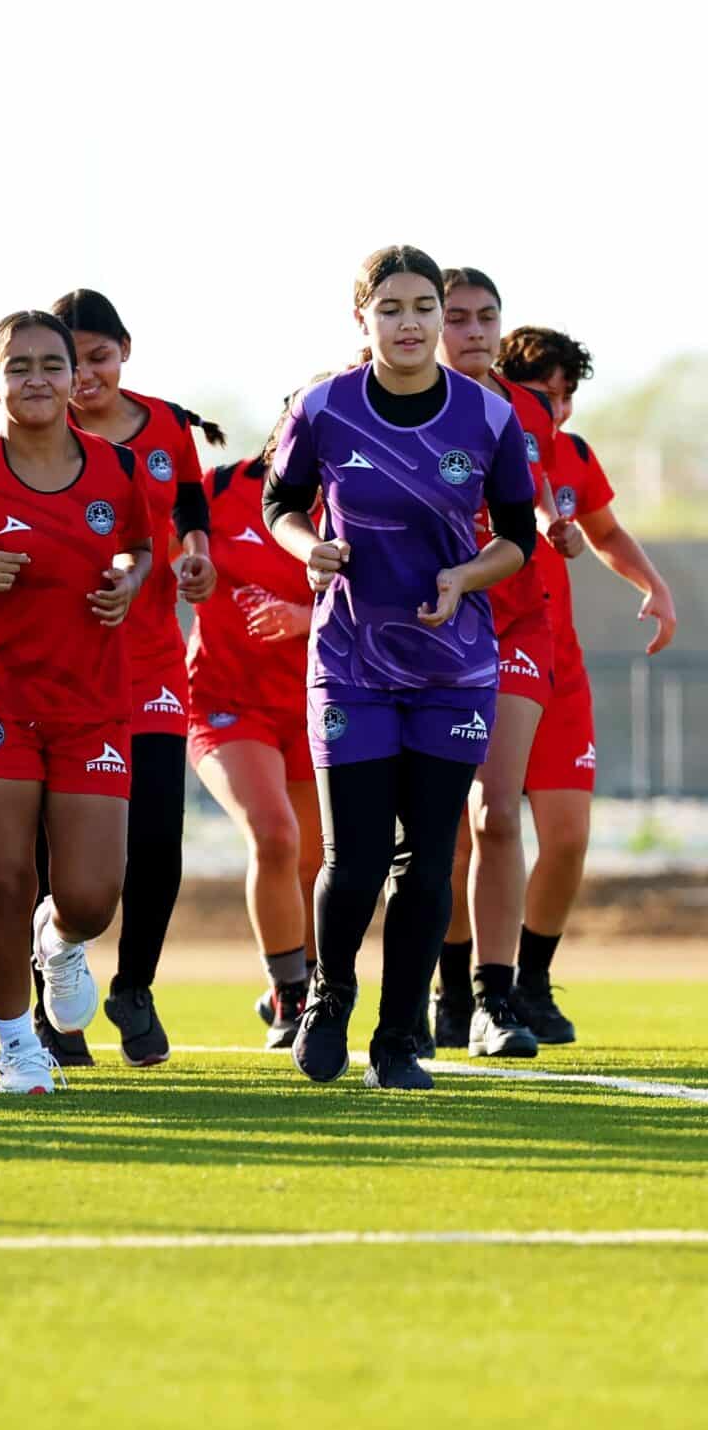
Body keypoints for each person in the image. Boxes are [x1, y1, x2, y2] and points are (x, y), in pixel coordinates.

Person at [263, 244, 536, 1093]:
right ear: (363, 317)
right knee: (355, 855)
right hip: (349, 660)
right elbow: (279, 504)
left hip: (453, 666)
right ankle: (328, 997)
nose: (411, 322)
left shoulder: (488, 420)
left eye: (425, 306)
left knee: (430, 854)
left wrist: (465, 576)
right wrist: (314, 550)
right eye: (392, 307)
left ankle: (396, 1039)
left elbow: (518, 536)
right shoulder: (324, 408)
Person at [0, 310, 152, 1096]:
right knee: (4, 883)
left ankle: (61, 937)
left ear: (75, 378)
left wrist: (129, 576)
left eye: (53, 363)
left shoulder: (115, 469)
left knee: (91, 895)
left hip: (92, 702)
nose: (39, 377)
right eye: (19, 366)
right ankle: (17, 1046)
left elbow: (139, 547)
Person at [500, 326, 680, 1044]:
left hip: (559, 669)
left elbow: (605, 532)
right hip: (481, 658)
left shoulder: (572, 456)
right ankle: (456, 987)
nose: (560, 407)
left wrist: (657, 586)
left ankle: (531, 982)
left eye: (568, 394)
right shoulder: (475, 445)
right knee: (470, 835)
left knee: (569, 836)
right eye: (546, 392)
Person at [58, 289, 222, 1067]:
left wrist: (196, 556)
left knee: (156, 836)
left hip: (153, 657)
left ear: (124, 350)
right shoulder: (39, 432)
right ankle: (53, 997)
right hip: (66, 662)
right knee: (60, 848)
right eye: (72, 359)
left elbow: (192, 508)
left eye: (100, 356)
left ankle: (134, 985)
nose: (86, 375)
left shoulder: (166, 428)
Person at [433, 267, 557, 1058]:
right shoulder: (386, 405)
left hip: (515, 623)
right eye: (457, 317)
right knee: (437, 828)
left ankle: (494, 997)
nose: (473, 331)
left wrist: (556, 522)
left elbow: (545, 495)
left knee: (496, 810)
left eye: (486, 317)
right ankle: (438, 990)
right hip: (428, 629)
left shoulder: (526, 407)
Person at [187, 408, 325, 1047]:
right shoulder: (216, 490)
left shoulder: (356, 501)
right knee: (274, 836)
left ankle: (315, 986)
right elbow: (151, 564)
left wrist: (306, 616)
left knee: (315, 862)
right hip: (225, 702)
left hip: (318, 701)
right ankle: (289, 993)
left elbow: (391, 595)